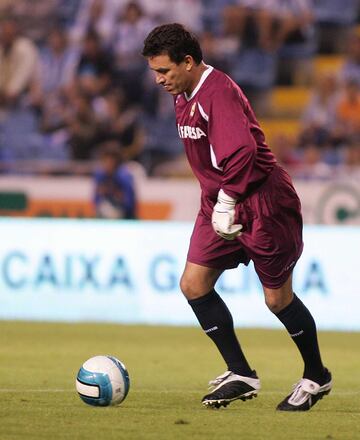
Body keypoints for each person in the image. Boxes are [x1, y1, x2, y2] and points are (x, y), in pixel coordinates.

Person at [142, 23, 332, 411]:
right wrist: (220, 200)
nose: (159, 80)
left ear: (189, 61)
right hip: (219, 199)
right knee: (194, 284)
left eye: (164, 71)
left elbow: (243, 152)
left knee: (277, 299)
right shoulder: (183, 92)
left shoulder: (219, 92)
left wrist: (228, 200)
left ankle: (317, 376)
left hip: (261, 201)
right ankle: (241, 373)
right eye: (155, 72)